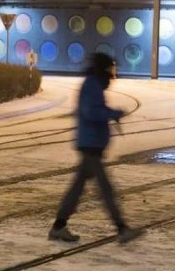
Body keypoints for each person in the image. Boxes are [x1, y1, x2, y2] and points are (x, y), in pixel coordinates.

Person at [48, 53, 143, 244]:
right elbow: (90, 111)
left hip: (91, 144)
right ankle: (121, 228)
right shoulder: (92, 85)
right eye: (111, 68)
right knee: (106, 190)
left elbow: (91, 110)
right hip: (90, 145)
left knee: (76, 190)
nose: (113, 73)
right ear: (103, 69)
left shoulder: (94, 84)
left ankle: (58, 227)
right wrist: (113, 113)